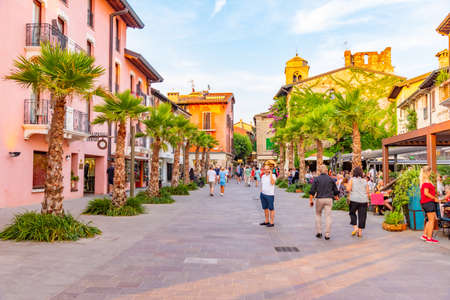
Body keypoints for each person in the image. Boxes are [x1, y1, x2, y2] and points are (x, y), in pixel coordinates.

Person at [309, 165, 339, 240]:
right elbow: (335, 191)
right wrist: (336, 197)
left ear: (319, 171)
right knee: (328, 216)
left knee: (318, 215)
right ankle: (327, 234)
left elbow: (312, 191)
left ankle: (319, 232)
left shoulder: (316, 179)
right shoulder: (331, 179)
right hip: (329, 199)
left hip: (320, 199)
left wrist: (311, 200)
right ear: (326, 171)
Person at [347, 167, 370, 238]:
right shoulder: (365, 181)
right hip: (363, 200)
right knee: (362, 215)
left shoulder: (352, 180)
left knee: (352, 213)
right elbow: (367, 192)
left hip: (354, 199)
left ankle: (355, 227)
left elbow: (348, 189)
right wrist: (368, 201)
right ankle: (360, 232)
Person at [420, 166, 441, 244]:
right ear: (427, 172)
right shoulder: (426, 181)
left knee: (429, 220)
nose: (431, 173)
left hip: (426, 202)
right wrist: (434, 198)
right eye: (430, 171)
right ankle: (429, 238)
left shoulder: (424, 180)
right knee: (432, 220)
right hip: (428, 202)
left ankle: (425, 235)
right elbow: (426, 193)